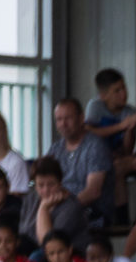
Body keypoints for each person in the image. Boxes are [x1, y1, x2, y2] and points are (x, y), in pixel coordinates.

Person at [45, 98, 116, 228]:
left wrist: (65, 209)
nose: (63, 124)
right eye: (59, 119)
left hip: (92, 213)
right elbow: (45, 183)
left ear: (81, 118)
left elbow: (93, 192)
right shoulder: (55, 149)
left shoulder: (96, 146)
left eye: (68, 118)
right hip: (61, 210)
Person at [19, 160, 86, 253]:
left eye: (51, 184)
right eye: (40, 185)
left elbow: (48, 244)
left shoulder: (71, 206)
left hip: (62, 255)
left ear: (60, 183)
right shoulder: (30, 199)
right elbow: (22, 232)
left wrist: (44, 208)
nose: (46, 190)